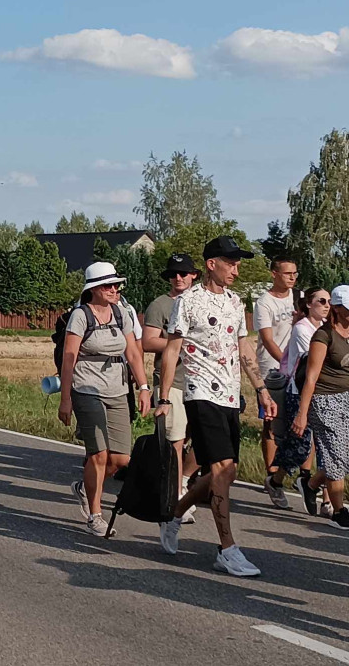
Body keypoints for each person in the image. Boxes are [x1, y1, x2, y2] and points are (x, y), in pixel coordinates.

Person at [158, 236, 277, 576]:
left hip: (229, 395)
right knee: (222, 468)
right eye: (231, 264)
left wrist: (262, 390)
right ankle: (227, 549)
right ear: (212, 264)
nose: (236, 271)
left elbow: (244, 348)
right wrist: (164, 398)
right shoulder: (189, 301)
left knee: (227, 471)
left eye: (238, 264)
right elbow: (172, 349)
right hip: (199, 393)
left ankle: (175, 513)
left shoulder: (235, 302)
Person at [59, 262, 152, 537]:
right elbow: (69, 359)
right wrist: (66, 399)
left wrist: (144, 387)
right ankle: (95, 515)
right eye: (108, 285)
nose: (114, 289)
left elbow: (133, 353)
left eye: (116, 285)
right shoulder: (81, 315)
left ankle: (84, 487)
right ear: (94, 289)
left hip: (118, 389)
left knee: (121, 459)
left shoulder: (122, 313)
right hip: (86, 388)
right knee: (98, 454)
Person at [141, 254, 200, 521]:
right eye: (173, 274)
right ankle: (176, 497)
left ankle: (184, 480)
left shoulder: (201, 301)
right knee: (175, 440)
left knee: (204, 438)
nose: (178, 278)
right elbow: (148, 342)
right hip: (170, 380)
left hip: (200, 381)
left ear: (194, 275)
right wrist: (179, 344)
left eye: (183, 273)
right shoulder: (160, 304)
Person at [267, 287, 333, 516]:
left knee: (327, 446)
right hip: (299, 392)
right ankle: (276, 480)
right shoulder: (302, 329)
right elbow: (320, 362)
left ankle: (328, 501)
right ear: (308, 304)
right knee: (299, 448)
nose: (326, 305)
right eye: (321, 301)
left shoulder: (327, 328)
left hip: (324, 394)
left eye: (329, 301)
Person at [289, 284, 349, 530]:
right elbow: (311, 377)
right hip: (324, 400)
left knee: (344, 456)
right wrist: (302, 414)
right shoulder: (324, 336)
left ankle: (310, 484)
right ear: (337, 308)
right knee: (336, 455)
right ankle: (339, 511)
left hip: (346, 398)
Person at [253, 257, 298, 501]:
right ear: (274, 274)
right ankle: (271, 475)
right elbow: (268, 339)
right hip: (273, 369)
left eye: (295, 273)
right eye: (287, 273)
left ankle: (300, 473)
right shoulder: (264, 303)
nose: (292, 277)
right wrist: (286, 364)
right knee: (271, 422)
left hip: (298, 368)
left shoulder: (298, 298)